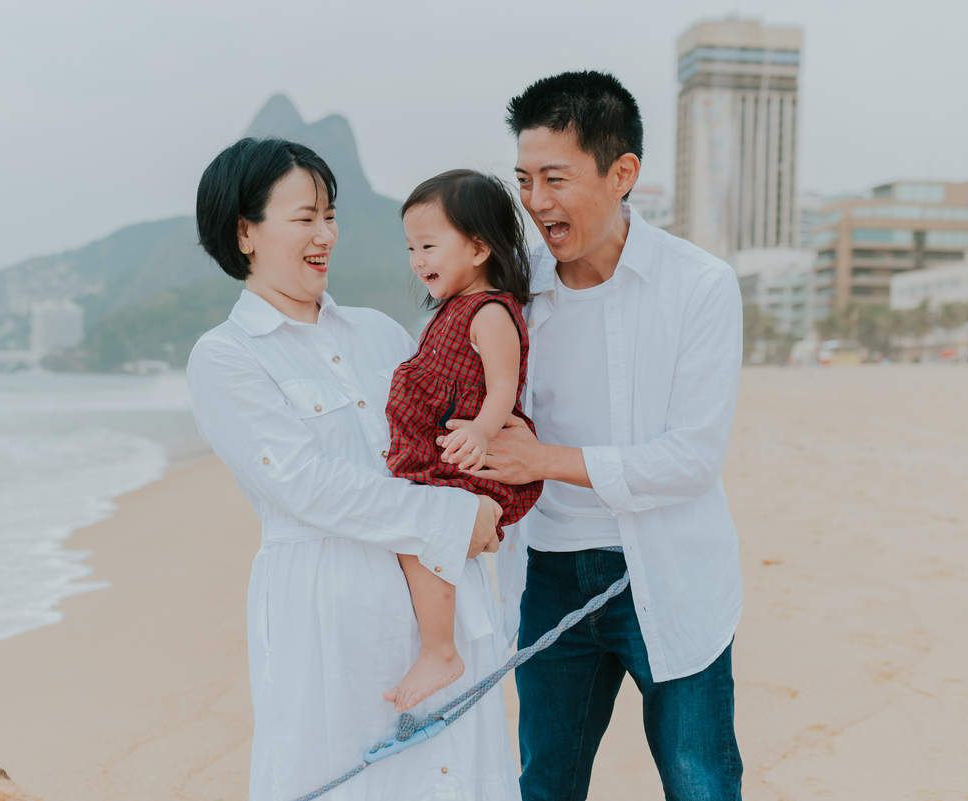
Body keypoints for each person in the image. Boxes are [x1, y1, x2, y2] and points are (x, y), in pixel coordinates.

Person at [185, 138, 521, 801]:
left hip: (443, 603)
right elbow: (308, 487)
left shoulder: (379, 332)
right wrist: (456, 518)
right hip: (331, 611)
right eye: (305, 216)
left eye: (330, 215)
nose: (326, 234)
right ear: (245, 231)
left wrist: (493, 493)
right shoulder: (226, 357)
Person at [462, 72, 746, 800]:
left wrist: (541, 460)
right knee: (545, 785)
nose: (535, 201)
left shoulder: (700, 285)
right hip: (549, 578)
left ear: (623, 174)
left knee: (701, 782)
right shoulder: (511, 296)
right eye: (524, 179)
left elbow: (691, 459)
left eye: (555, 178)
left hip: (670, 569)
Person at [381, 169, 543, 713]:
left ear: (478, 246)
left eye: (428, 245)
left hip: (469, 458)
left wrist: (480, 429)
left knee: (419, 534)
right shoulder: (448, 310)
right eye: (410, 247)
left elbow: (502, 385)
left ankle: (440, 650)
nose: (417, 259)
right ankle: (438, 643)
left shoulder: (490, 311)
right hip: (446, 454)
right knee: (414, 534)